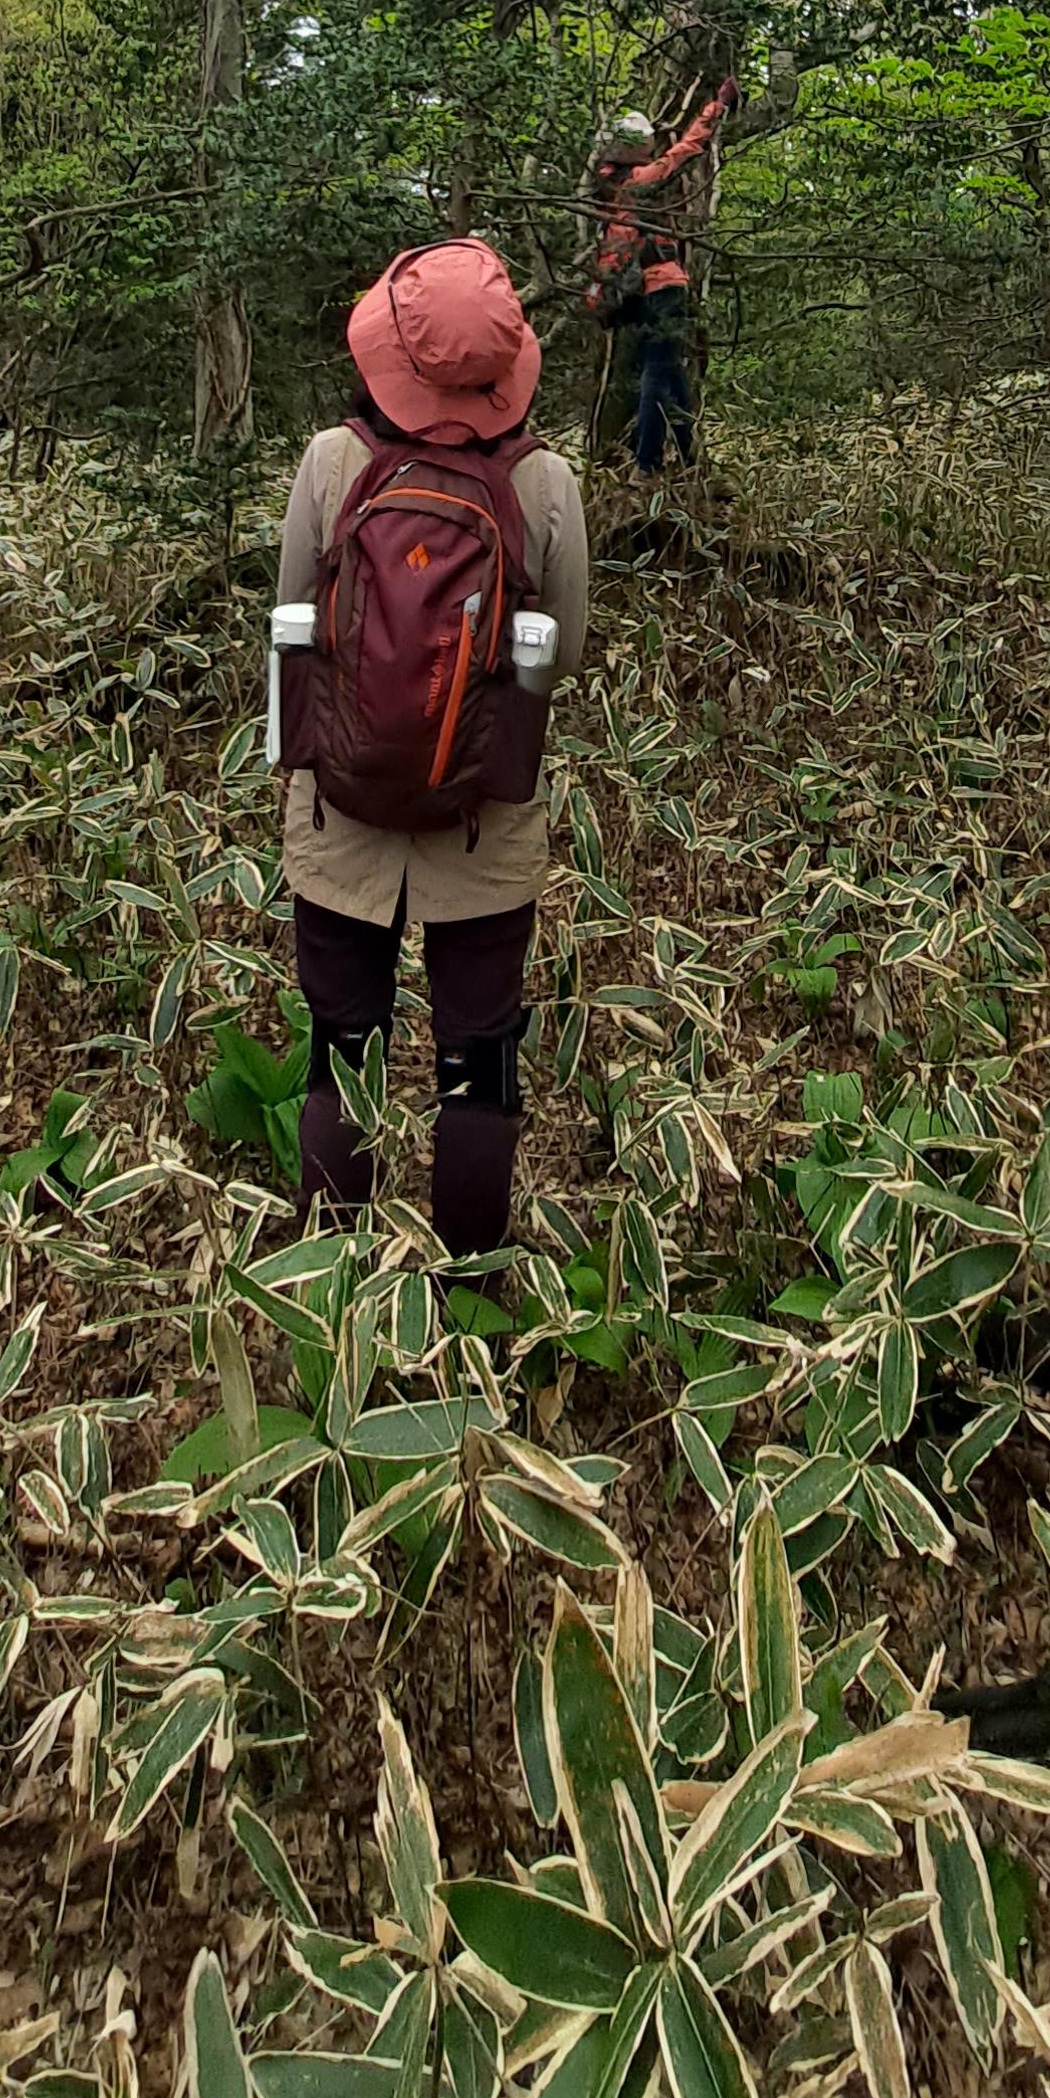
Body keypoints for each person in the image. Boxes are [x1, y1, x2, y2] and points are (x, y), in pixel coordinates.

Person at [276, 238, 588, 1259]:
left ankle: (334, 1284)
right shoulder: (545, 483)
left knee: (342, 1050)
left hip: (340, 819)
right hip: (484, 829)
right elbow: (565, 651)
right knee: (478, 1059)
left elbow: (290, 618)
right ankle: (466, 1295)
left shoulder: (332, 462)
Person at [579, 80, 732, 472]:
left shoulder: (606, 188)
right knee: (657, 376)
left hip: (636, 296)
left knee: (673, 374)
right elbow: (684, 151)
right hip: (664, 286)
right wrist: (716, 107)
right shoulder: (639, 184)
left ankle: (687, 456)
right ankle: (646, 464)